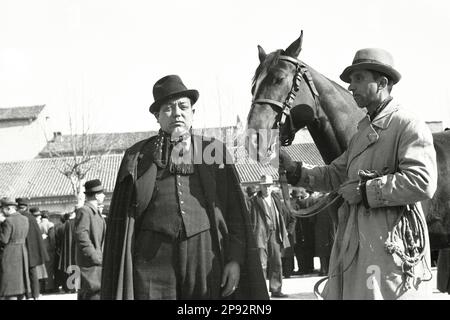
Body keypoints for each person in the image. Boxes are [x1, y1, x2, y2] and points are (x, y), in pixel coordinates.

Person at [280, 48, 437, 299]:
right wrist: (295, 171)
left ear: (383, 83)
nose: (351, 87)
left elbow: (422, 182)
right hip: (356, 245)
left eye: (359, 78)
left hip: (391, 250)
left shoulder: (407, 124)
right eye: (351, 81)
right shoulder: (361, 133)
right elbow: (335, 175)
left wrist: (365, 191)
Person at [101, 74, 267, 300]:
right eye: (168, 108)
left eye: (183, 106)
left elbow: (235, 211)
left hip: (205, 255)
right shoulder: (137, 156)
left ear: (192, 113)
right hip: (152, 260)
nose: (177, 113)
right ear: (157, 116)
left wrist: (235, 260)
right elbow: (123, 221)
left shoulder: (214, 151)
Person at [249, 175, 292, 298]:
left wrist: (284, 231)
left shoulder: (276, 199)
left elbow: (284, 214)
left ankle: (276, 289)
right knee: (261, 264)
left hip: (275, 233)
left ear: (272, 186)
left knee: (276, 262)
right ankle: (260, 292)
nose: (267, 188)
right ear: (260, 186)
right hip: (260, 234)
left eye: (268, 185)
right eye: (264, 185)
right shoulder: (252, 201)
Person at [74, 179, 107, 300]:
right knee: (92, 295)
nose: (103, 196)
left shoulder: (94, 212)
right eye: (102, 193)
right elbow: (81, 236)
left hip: (95, 264)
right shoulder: (85, 211)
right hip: (90, 265)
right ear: (97, 195)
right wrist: (95, 256)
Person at [16, 198, 49, 299]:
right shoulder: (31, 218)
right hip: (33, 250)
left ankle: (25, 294)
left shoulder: (19, 217)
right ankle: (35, 295)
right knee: (33, 273)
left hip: (23, 249)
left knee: (22, 273)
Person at [0, 198, 31, 300]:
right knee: (20, 281)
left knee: (10, 283)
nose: (1, 211)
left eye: (2, 209)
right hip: (22, 251)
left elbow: (4, 240)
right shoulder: (25, 219)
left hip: (10, 253)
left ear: (8, 208)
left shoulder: (8, 221)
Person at [292, 189, 316, 275]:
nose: (299, 198)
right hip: (305, 229)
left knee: (303, 250)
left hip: (302, 230)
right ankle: (309, 267)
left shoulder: (297, 204)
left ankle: (305, 268)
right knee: (306, 249)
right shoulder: (302, 203)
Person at [39, 210, 56, 293]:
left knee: (41, 269)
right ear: (48, 216)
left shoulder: (38, 225)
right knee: (49, 269)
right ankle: (49, 287)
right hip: (49, 249)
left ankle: (41, 287)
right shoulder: (50, 225)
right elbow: (52, 239)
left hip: (40, 249)